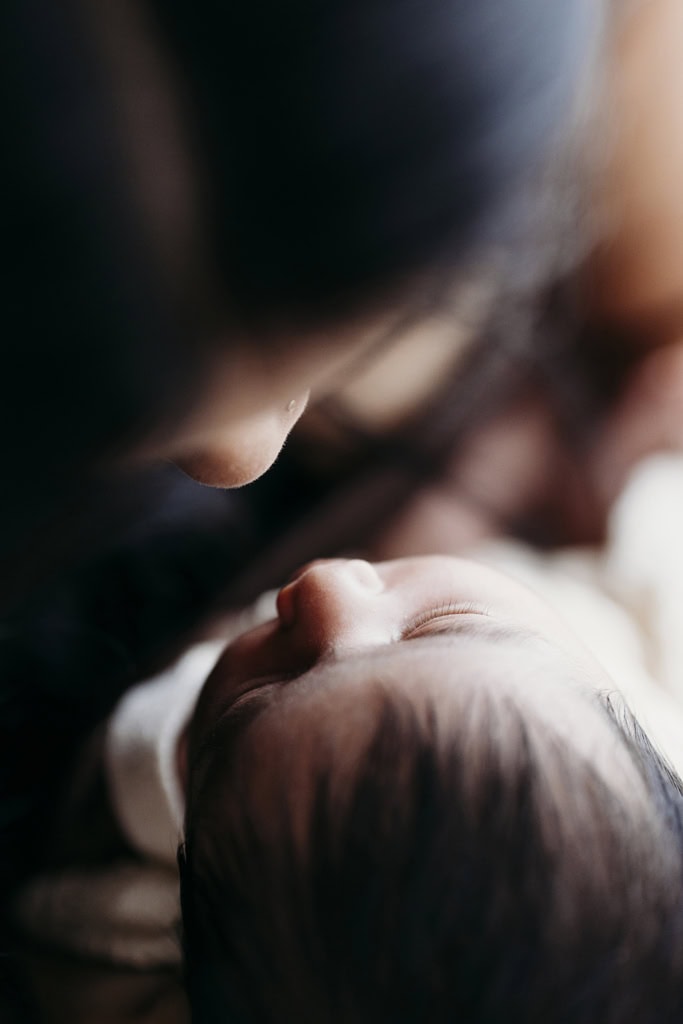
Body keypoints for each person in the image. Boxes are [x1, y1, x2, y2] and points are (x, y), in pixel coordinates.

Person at [12, 449, 683, 1022]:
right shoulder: (649, 706)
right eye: (446, 624)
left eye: (252, 699)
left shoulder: (130, 918)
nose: (323, 588)